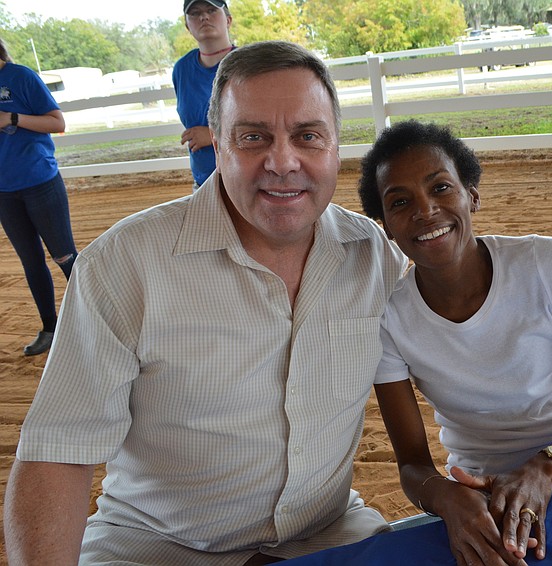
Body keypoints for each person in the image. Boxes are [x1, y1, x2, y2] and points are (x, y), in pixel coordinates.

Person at [4, 41, 407, 565]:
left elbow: (457, 347)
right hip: (157, 546)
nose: (282, 162)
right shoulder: (125, 264)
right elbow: (58, 451)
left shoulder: (372, 254)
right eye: (253, 137)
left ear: (335, 146)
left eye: (308, 136)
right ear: (216, 144)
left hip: (327, 533)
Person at [357, 120, 552, 566]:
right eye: (400, 201)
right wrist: (450, 500)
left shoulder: (550, 263)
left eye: (441, 188)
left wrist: (545, 467)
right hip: (478, 493)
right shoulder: (387, 319)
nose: (425, 210)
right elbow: (412, 466)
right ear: (387, 227)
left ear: (472, 194)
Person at [0, 38, 78, 356]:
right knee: (31, 262)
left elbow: (57, 123)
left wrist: (11, 119)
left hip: (39, 181)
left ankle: (102, 320)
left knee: (64, 256)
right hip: (4, 192)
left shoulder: (21, 77)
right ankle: (50, 327)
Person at [173, 0, 235, 190]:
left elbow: (264, 122)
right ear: (187, 25)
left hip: (243, 181)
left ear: (228, 19)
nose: (204, 17)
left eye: (211, 10)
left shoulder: (246, 65)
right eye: (195, 13)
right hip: (203, 184)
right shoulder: (182, 69)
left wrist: (213, 135)